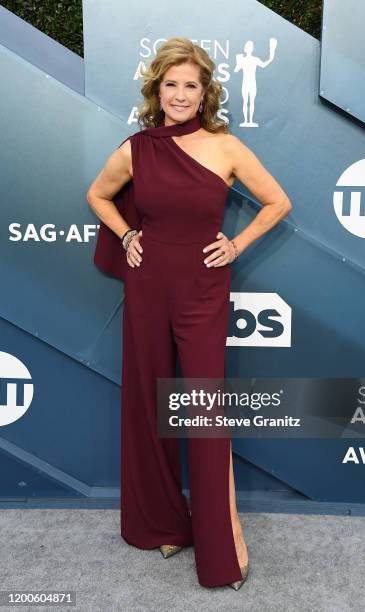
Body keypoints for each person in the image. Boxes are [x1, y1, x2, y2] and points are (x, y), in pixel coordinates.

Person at [87, 36, 292, 590]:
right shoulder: (138, 148)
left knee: (203, 412)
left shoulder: (226, 148)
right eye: (171, 84)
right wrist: (127, 232)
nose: (180, 94)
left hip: (203, 289)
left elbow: (278, 202)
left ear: (205, 94)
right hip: (149, 286)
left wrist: (237, 243)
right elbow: (98, 196)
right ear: (158, 90)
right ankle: (163, 525)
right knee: (150, 403)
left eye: (191, 86)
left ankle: (226, 543)